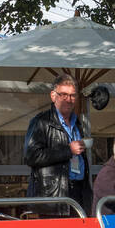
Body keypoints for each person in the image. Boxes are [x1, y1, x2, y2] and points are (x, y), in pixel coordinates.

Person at [24, 76, 94, 215]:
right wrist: (68, 150)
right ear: (53, 96)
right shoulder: (41, 122)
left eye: (73, 95)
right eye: (64, 95)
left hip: (79, 191)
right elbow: (31, 156)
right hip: (54, 196)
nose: (69, 99)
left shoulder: (77, 122)